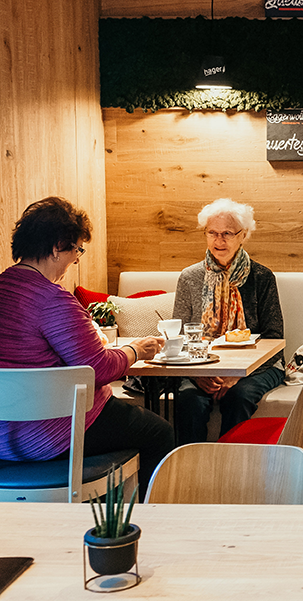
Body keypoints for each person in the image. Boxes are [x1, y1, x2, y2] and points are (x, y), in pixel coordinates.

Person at [0, 196, 174, 496]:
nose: (77, 258)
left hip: (4, 437)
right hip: (53, 434)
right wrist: (137, 350)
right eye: (77, 249)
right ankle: (147, 520)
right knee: (160, 432)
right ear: (58, 247)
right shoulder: (52, 300)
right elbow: (99, 368)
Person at [173, 198, 284, 444]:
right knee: (189, 399)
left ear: (243, 235)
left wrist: (238, 375)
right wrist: (197, 374)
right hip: (200, 365)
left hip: (257, 367)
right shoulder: (189, 277)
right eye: (212, 233)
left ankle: (230, 472)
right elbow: (178, 336)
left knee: (238, 396)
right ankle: (191, 472)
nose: (218, 241)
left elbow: (275, 337)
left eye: (227, 233)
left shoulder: (262, 277)